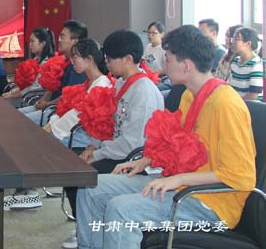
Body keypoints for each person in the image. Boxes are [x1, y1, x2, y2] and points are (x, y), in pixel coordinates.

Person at [75, 25, 256, 249]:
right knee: (91, 187)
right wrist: (145, 161)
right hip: (181, 185)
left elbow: (240, 176)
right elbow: (178, 144)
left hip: (210, 204)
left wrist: (178, 179)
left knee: (122, 210)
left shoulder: (225, 105)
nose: (164, 65)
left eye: (168, 59)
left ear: (186, 66)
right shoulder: (190, 96)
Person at [61, 29, 164, 249]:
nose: (106, 63)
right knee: (71, 167)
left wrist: (98, 154)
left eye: (109, 58)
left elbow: (133, 143)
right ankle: (87, 232)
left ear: (128, 59)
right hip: (116, 151)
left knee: (82, 177)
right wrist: (92, 147)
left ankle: (89, 236)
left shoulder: (143, 91)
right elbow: (106, 123)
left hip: (134, 159)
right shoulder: (120, 84)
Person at [44, 39, 112, 149]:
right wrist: (52, 123)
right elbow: (67, 109)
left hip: (86, 137)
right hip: (72, 131)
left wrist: (54, 127)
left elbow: (77, 114)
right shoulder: (88, 83)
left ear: (89, 59)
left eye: (75, 57)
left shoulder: (102, 85)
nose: (72, 62)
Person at [20, 19, 89, 125]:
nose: (59, 40)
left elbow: (68, 97)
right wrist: (42, 101)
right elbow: (52, 89)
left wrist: (47, 104)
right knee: (15, 114)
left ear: (74, 41)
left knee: (19, 121)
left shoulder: (78, 66)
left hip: (58, 112)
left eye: (62, 37)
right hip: (49, 106)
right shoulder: (63, 61)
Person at [1, 27, 56, 106]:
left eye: (33, 41)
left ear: (43, 43)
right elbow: (28, 83)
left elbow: (36, 87)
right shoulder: (36, 59)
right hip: (28, 93)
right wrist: (13, 92)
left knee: (5, 102)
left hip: (35, 96)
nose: (30, 44)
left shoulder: (47, 63)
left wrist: (16, 94)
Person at [228, 26, 263, 101]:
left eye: (236, 39)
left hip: (251, 105)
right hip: (236, 103)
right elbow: (230, 87)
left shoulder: (256, 64)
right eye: (233, 38)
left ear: (248, 44)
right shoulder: (236, 61)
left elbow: (254, 95)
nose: (232, 42)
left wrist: (236, 102)